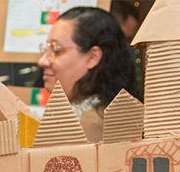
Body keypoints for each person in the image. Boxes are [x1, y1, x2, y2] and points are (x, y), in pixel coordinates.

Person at [38, 6, 138, 142]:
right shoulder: (96, 114)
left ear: (92, 57)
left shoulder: (88, 126)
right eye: (46, 50)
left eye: (57, 50)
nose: (42, 61)